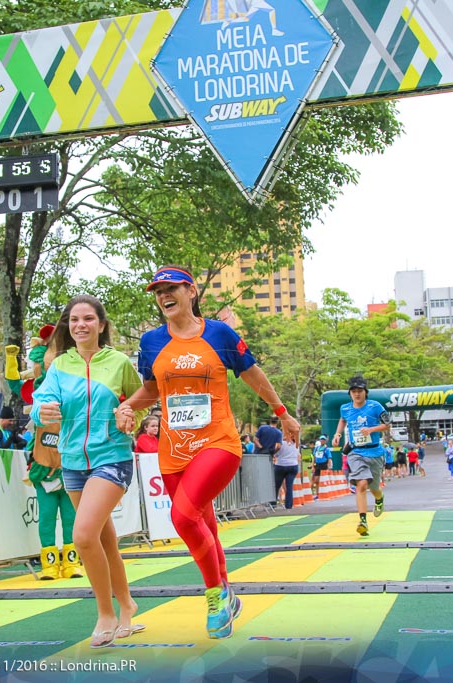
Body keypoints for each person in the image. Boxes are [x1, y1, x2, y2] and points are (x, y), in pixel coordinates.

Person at [115, 265, 300, 639]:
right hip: (173, 449)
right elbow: (151, 390)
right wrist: (128, 407)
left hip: (218, 442)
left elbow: (253, 376)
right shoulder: (151, 341)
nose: (164, 296)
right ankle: (228, 591)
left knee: (183, 519)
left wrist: (283, 413)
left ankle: (215, 594)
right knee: (201, 519)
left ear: (191, 291)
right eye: (158, 291)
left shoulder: (220, 333)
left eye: (172, 289)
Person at [31, 295, 144, 647]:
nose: (81, 325)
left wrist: (131, 417)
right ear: (68, 325)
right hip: (73, 463)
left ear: (101, 325)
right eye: (74, 319)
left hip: (112, 457)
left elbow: (139, 401)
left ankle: (105, 614)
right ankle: (126, 604)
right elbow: (39, 403)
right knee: (103, 539)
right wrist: (41, 412)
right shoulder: (59, 365)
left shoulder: (119, 362)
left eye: (88, 319)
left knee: (81, 536)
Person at [331, 375, 389, 537]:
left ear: (365, 392)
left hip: (375, 451)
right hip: (355, 452)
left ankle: (379, 498)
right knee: (361, 484)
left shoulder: (375, 406)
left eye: (360, 391)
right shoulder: (345, 408)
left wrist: (371, 430)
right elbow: (343, 420)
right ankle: (363, 521)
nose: (357, 394)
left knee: (374, 488)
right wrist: (337, 434)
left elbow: (387, 425)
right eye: (354, 391)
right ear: (350, 393)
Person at [273, 438, 300, 509]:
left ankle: (273, 503)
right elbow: (297, 454)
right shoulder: (296, 443)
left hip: (281, 465)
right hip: (293, 465)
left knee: (276, 485)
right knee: (289, 486)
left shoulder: (281, 443)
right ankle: (289, 505)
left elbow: (276, 454)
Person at [311, 435, 331, 500]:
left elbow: (329, 458)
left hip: (324, 465)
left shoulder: (326, 449)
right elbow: (314, 457)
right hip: (317, 465)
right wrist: (312, 466)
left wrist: (328, 466)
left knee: (323, 480)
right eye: (321, 439)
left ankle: (325, 493)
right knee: (316, 480)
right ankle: (317, 494)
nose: (322, 441)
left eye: (323, 440)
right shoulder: (316, 448)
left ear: (325, 441)